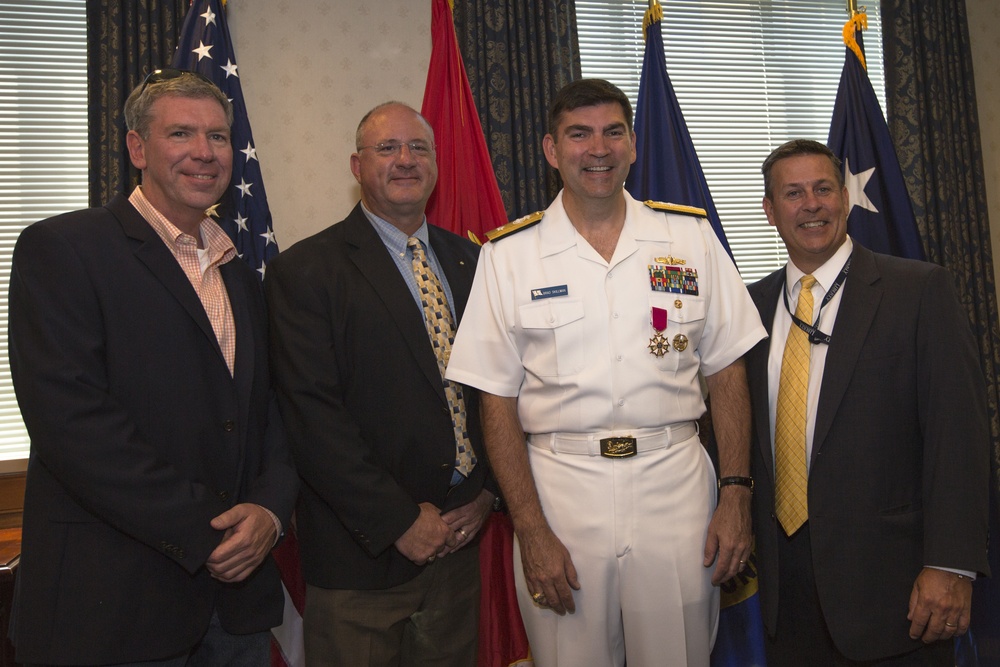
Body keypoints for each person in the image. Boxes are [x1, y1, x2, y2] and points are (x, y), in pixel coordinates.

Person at [445, 78, 766, 667]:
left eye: (613, 132)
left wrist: (737, 495)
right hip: (561, 494)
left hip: (676, 488)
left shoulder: (688, 237)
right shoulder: (508, 256)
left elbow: (726, 371)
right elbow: (495, 401)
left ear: (634, 145)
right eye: (579, 134)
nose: (599, 149)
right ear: (550, 149)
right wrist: (529, 529)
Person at [7, 69, 298, 666]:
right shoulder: (62, 249)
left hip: (236, 605)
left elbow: (270, 410)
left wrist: (270, 510)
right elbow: (73, 425)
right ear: (137, 148)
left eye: (218, 137)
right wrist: (206, 530)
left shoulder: (238, 274)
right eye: (182, 134)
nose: (204, 152)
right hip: (113, 607)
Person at [265, 101, 496, 667]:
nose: (405, 160)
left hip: (460, 546)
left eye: (418, 148)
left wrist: (488, 490)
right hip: (360, 560)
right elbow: (311, 417)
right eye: (387, 149)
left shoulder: (475, 261)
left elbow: (499, 390)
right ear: (355, 165)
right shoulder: (306, 271)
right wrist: (398, 521)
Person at [746, 139, 990, 665]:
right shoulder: (750, 308)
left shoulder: (919, 291)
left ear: (846, 197)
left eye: (823, 189)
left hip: (898, 593)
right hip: (785, 596)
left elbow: (959, 437)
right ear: (770, 211)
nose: (811, 204)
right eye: (793, 193)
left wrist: (951, 564)